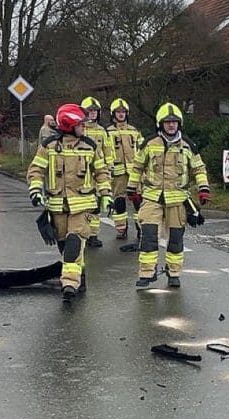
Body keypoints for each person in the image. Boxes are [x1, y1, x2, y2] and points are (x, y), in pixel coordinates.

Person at [27, 103, 111, 301]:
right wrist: (35, 191)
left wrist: (106, 194)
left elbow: (101, 172)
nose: (84, 126)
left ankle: (69, 285)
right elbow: (36, 171)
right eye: (80, 123)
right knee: (66, 248)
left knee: (75, 242)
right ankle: (79, 277)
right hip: (57, 208)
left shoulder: (90, 146)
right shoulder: (48, 146)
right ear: (69, 125)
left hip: (83, 206)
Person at [126, 102, 209, 289]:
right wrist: (132, 189)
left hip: (178, 199)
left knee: (175, 238)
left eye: (174, 122)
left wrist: (203, 188)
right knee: (148, 235)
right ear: (160, 124)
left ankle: (174, 273)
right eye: (167, 122)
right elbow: (137, 167)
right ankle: (147, 273)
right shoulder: (149, 144)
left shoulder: (188, 145)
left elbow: (199, 168)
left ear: (179, 124)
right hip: (152, 197)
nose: (171, 125)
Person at [105, 98, 144, 241]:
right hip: (117, 174)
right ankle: (121, 229)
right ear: (113, 114)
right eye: (118, 112)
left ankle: (141, 228)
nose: (121, 114)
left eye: (123, 112)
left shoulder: (134, 131)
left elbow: (142, 150)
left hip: (134, 172)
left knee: (138, 201)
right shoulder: (108, 132)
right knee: (119, 202)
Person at [79, 97, 109, 248]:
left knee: (96, 205)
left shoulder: (102, 131)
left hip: (97, 174)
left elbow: (108, 152)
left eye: (95, 111)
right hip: (81, 175)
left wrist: (108, 169)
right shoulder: (79, 129)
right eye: (89, 111)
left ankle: (93, 235)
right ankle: (82, 233)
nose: (92, 114)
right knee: (83, 206)